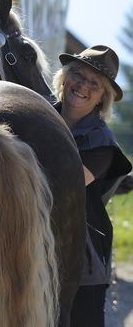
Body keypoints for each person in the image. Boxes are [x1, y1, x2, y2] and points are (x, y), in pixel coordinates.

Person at [52, 45, 132, 326]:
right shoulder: (37, 116)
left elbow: (62, 187)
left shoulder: (102, 143)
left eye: (94, 83)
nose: (82, 85)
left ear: (102, 98)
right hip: (29, 243)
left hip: (79, 257)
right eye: (77, 74)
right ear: (65, 77)